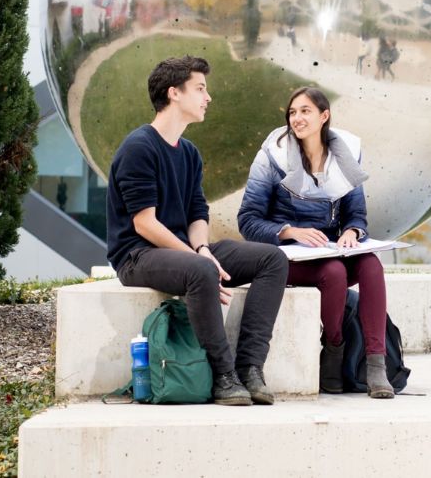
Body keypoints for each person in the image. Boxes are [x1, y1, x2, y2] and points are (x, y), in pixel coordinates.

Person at [106, 56, 287, 406]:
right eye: (200, 89)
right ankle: (224, 376)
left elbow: (197, 212)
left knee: (272, 259)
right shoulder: (139, 147)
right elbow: (144, 223)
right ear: (174, 93)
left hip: (185, 253)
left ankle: (250, 367)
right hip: (137, 255)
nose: (208, 97)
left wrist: (202, 250)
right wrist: (198, 261)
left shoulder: (188, 152)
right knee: (201, 268)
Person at [237, 86, 394, 398]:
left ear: (324, 116)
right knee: (334, 272)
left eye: (305, 111)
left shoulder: (344, 155)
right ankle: (333, 348)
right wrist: (290, 231)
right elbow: (248, 220)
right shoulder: (272, 155)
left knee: (371, 264)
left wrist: (351, 232)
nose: (297, 118)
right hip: (287, 258)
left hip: (329, 250)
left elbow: (357, 214)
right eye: (292, 112)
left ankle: (377, 366)